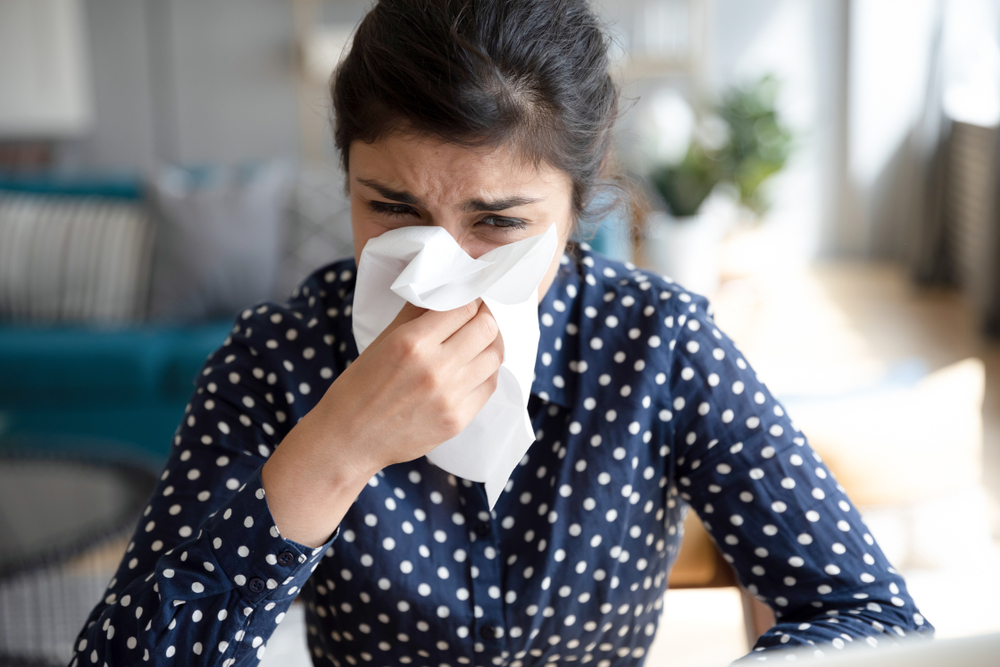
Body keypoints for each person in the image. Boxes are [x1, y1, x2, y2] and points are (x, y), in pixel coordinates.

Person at [70, 1, 934, 665]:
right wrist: (335, 449)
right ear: (344, 175)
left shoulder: (657, 346)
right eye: (392, 209)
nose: (436, 267)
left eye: (497, 222)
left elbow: (874, 618)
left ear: (578, 199)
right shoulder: (278, 362)